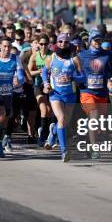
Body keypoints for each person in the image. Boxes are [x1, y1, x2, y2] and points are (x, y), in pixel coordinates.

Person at [41, 33, 84, 162]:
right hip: (55, 94)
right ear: (56, 43)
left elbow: (83, 77)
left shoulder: (74, 58)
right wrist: (46, 83)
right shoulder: (52, 57)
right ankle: (64, 151)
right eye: (60, 42)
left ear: (69, 43)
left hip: (70, 94)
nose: (62, 44)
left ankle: (53, 131)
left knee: (65, 122)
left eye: (65, 42)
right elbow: (44, 71)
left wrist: (72, 78)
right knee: (62, 118)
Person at [78, 29, 112, 159]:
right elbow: (75, 71)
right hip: (87, 92)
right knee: (94, 117)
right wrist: (81, 80)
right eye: (95, 40)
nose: (98, 42)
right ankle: (95, 149)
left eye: (100, 40)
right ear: (90, 41)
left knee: (97, 123)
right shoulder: (82, 56)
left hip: (101, 93)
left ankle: (87, 143)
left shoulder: (107, 55)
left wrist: (107, 76)